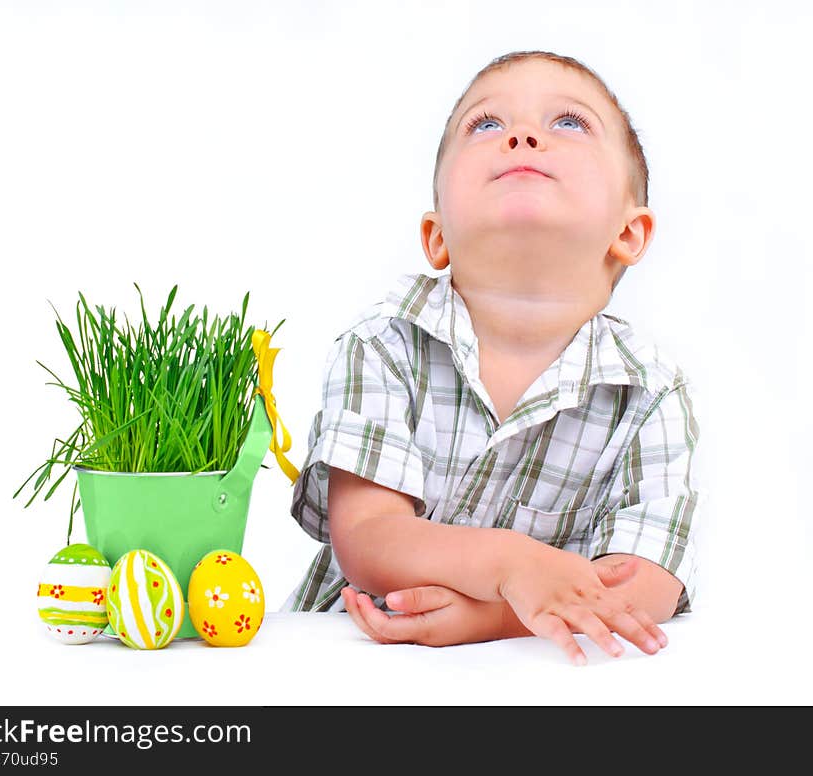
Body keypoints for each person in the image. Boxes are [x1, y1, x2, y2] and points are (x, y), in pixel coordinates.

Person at [282, 50, 705, 666]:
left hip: (532, 684)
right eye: (485, 125)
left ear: (629, 232)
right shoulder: (382, 344)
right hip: (352, 664)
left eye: (569, 122)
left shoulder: (650, 393)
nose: (523, 135)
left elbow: (649, 575)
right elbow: (368, 537)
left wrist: (498, 617)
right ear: (437, 237)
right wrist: (513, 563)